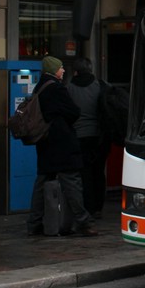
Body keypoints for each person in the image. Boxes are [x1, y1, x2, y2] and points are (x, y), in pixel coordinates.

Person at [26, 56, 98, 237]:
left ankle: (33, 223)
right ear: (53, 70)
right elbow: (74, 111)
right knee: (72, 182)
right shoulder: (57, 88)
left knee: (42, 182)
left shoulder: (40, 88)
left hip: (45, 143)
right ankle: (83, 221)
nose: (63, 70)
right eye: (60, 68)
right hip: (62, 144)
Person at [66, 57, 108, 218]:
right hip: (98, 137)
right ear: (90, 69)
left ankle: (86, 206)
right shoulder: (100, 85)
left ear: (75, 71)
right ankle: (98, 207)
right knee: (98, 171)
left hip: (77, 136)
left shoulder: (69, 88)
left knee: (83, 174)